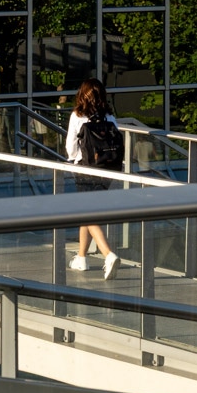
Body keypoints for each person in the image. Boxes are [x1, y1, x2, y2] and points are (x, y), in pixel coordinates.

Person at [65, 78, 125, 279]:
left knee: (87, 213)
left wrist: (73, 160)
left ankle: (108, 254)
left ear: (82, 95)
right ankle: (81, 257)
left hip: (85, 169)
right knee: (89, 211)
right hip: (107, 170)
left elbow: (71, 148)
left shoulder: (77, 115)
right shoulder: (109, 117)